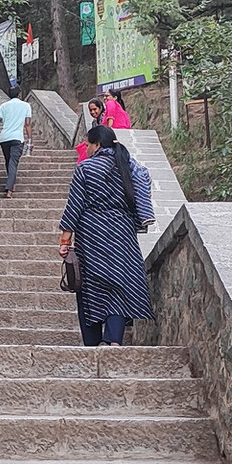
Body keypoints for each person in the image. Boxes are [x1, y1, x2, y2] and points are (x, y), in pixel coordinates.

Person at [59, 125, 155, 347]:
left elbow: (73, 208)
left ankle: (92, 343)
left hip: (92, 234)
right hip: (122, 233)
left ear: (97, 145)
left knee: (90, 285)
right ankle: (113, 339)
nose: (87, 149)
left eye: (88, 145)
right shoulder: (129, 166)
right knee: (120, 283)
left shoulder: (85, 169)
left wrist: (65, 241)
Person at [0, 85, 32, 198]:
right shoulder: (26, 106)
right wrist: (30, 139)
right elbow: (27, 124)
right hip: (17, 138)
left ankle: (10, 182)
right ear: (19, 94)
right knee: (13, 162)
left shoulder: (3, 106)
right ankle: (9, 189)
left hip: (4, 138)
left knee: (8, 161)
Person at [76, 98, 105, 163]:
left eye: (95, 109)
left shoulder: (104, 118)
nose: (92, 112)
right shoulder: (94, 122)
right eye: (90, 110)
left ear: (100, 108)